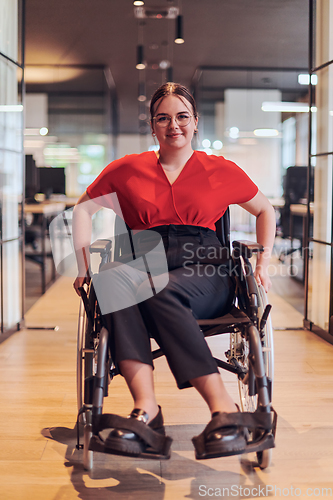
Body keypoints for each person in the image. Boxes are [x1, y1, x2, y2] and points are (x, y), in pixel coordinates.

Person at [72, 82, 276, 460]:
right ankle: (146, 409)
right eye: (163, 118)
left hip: (206, 267)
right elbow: (82, 209)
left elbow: (266, 210)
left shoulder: (221, 169)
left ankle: (223, 407)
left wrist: (262, 264)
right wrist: (85, 267)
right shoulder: (127, 169)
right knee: (114, 282)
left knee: (157, 288)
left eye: (182, 116)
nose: (173, 125)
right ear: (153, 126)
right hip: (141, 259)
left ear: (195, 122)